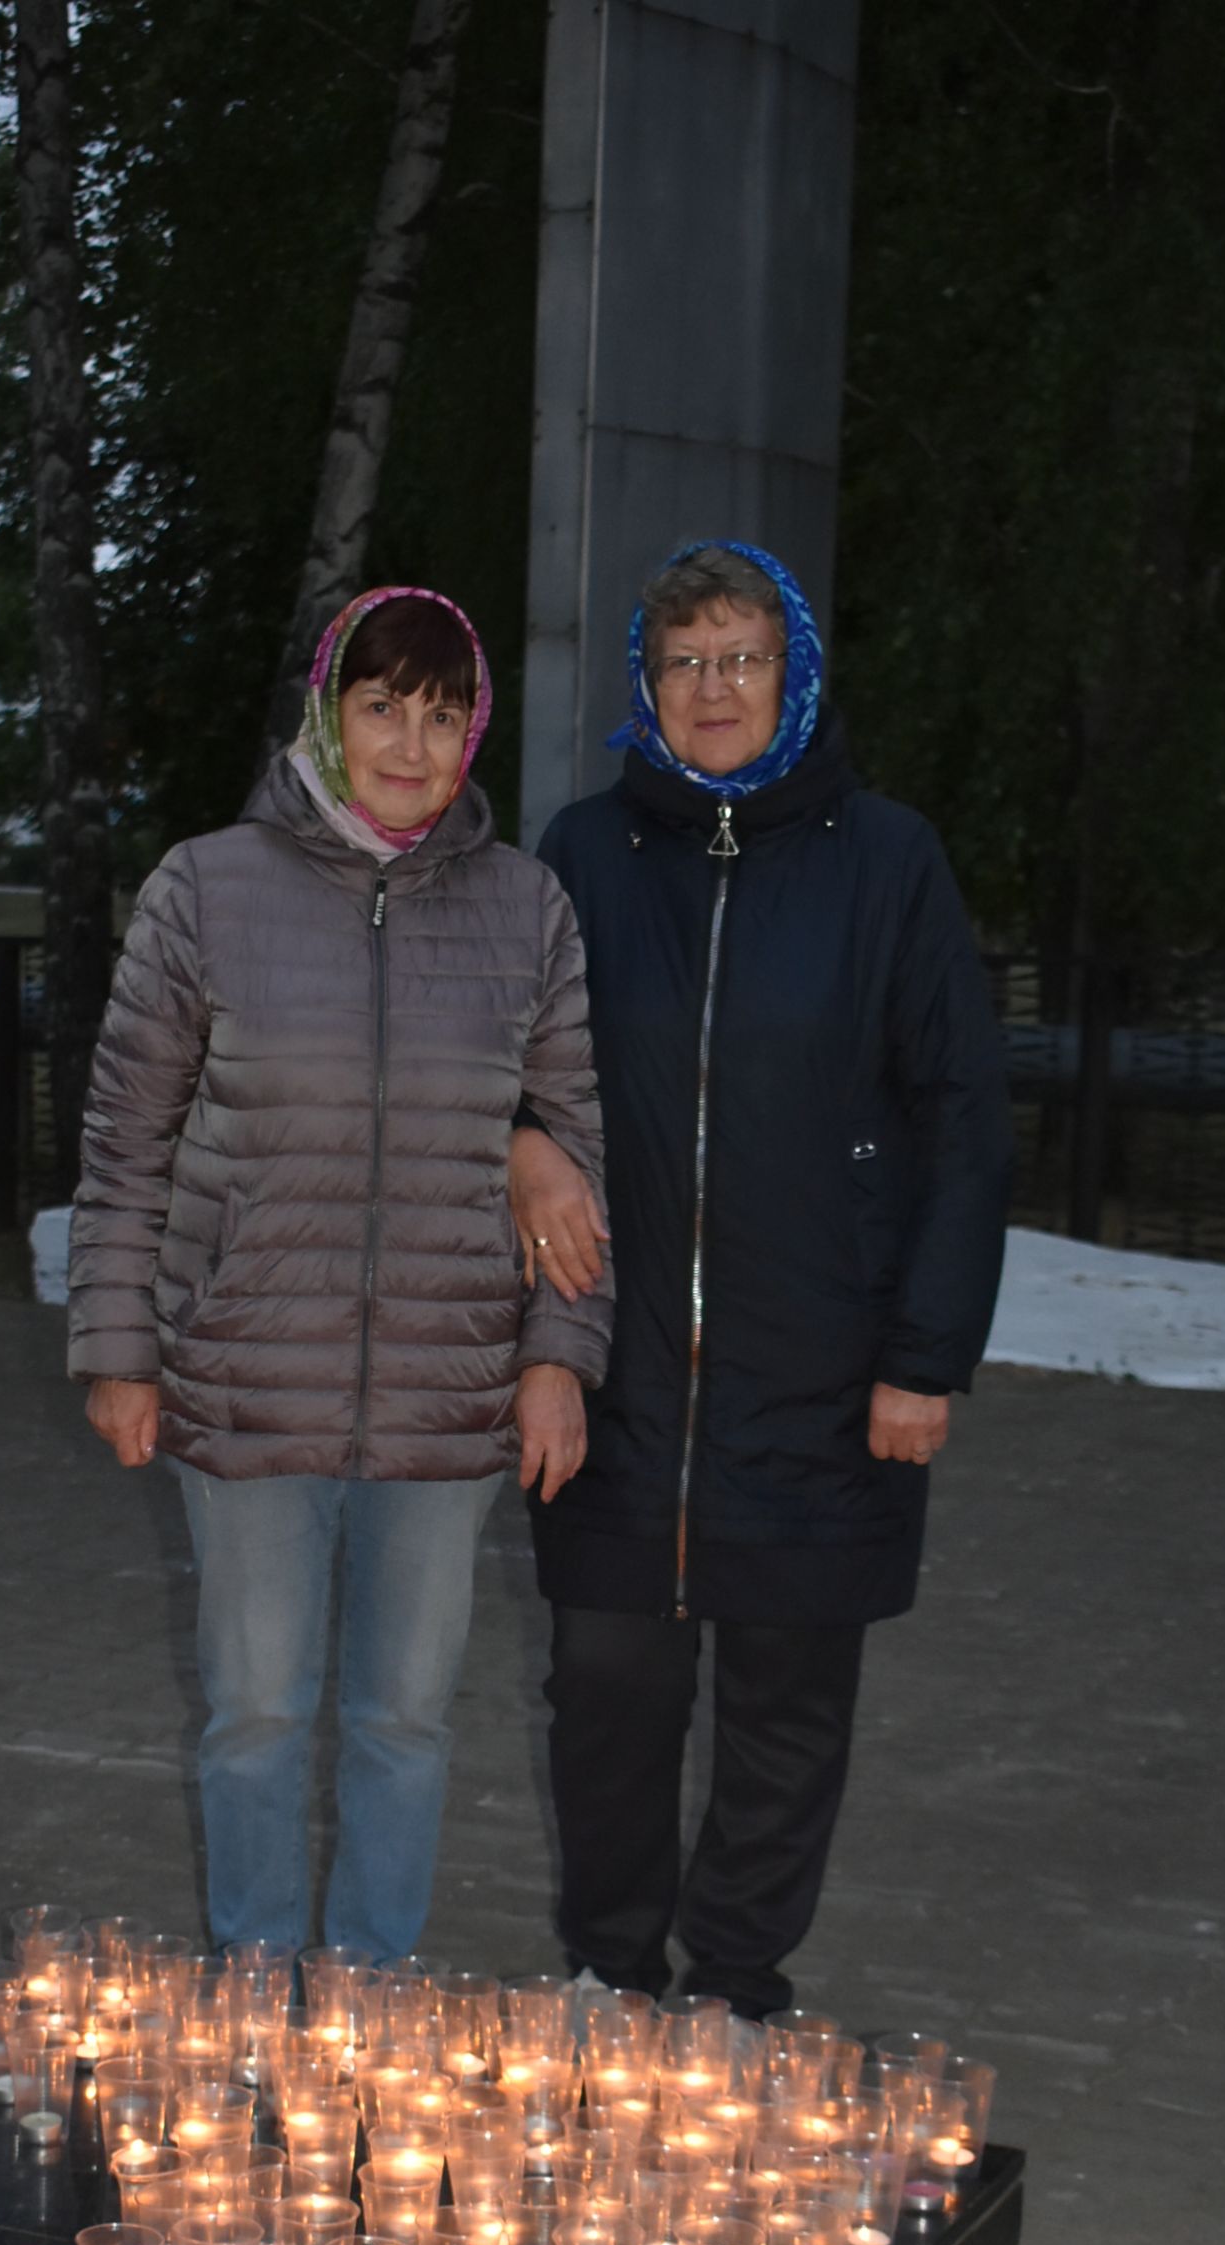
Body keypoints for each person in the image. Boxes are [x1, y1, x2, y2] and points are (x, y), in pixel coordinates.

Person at [68, 586, 612, 1962]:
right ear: (330, 712)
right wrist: (119, 1348)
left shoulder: (527, 908)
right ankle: (255, 1988)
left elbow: (572, 1147)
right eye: (383, 706)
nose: (412, 745)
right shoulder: (206, 889)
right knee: (254, 1714)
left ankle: (372, 1995)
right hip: (246, 1384)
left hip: (447, 1395)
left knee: (406, 1720)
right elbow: (126, 1140)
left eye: (443, 715)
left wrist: (559, 1358)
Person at [509, 539, 1013, 2019]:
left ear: (791, 677)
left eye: (742, 658)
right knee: (608, 1691)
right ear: (643, 689)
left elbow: (963, 1116)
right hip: (622, 1370)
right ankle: (610, 1972)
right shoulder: (587, 854)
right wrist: (525, 1149)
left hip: (822, 1374)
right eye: (683, 662)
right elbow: (515, 1057)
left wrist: (927, 1356)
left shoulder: (888, 859)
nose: (712, 687)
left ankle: (734, 1989)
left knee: (789, 1706)